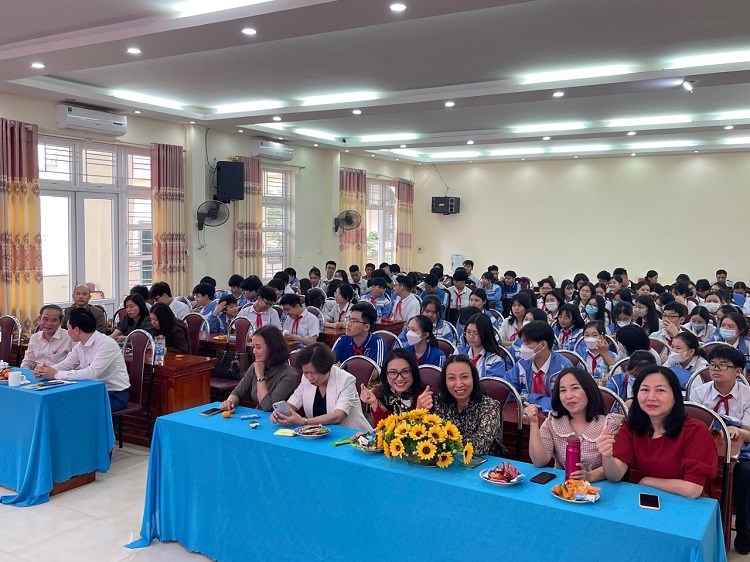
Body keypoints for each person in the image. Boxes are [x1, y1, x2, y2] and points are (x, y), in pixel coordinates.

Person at [597, 365, 718, 498]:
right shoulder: (632, 427)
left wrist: (647, 481)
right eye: (645, 390)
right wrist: (607, 456)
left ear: (675, 396)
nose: (651, 397)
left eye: (660, 390)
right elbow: (615, 476)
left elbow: (692, 490)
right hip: (647, 499)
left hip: (685, 503)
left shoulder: (695, 430)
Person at [689, 346, 750, 553]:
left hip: (740, 454)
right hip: (704, 449)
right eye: (712, 365)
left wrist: (738, 431)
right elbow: (691, 425)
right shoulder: (699, 392)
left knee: (745, 477)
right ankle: (699, 532)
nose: (715, 369)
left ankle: (743, 533)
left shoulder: (747, 396)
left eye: (723, 365)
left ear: (738, 371)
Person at [525, 367, 622, 481]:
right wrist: (534, 423)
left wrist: (590, 476)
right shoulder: (553, 422)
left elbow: (615, 468)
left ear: (588, 390)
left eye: (575, 388)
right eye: (563, 390)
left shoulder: (609, 424)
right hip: (563, 486)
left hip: (599, 487)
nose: (568, 396)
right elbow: (539, 461)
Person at [34, 309, 131, 411]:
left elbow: (91, 373)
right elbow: (67, 364)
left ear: (76, 330)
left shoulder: (106, 344)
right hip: (91, 389)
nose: (68, 331)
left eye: (68, 328)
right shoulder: (81, 345)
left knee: (71, 407)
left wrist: (56, 374)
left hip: (113, 394)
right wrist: (45, 370)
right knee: (58, 402)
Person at [271, 343, 372, 431]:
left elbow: (338, 416)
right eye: (305, 372)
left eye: (314, 373)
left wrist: (304, 422)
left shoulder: (346, 380)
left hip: (351, 434)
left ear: (326, 368)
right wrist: (280, 412)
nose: (309, 377)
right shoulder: (306, 378)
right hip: (320, 432)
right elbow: (294, 400)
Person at [432, 355, 504, 456]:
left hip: (486, 462)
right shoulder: (440, 404)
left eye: (464, 377)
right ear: (445, 381)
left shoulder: (490, 406)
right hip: (447, 461)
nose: (459, 384)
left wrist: (445, 444)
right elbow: (432, 440)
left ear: (473, 378)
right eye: (451, 378)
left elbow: (479, 447)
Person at [220, 326, 301, 412]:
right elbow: (238, 392)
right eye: (253, 347)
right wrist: (229, 402)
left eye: (258, 347)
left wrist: (260, 376)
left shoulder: (289, 375)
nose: (254, 351)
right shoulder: (256, 365)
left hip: (275, 417)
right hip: (257, 414)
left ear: (273, 348)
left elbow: (267, 407)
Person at [504, 320, 573, 411]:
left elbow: (565, 401)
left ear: (543, 345)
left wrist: (532, 398)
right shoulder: (522, 365)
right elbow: (506, 390)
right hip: (526, 414)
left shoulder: (564, 368)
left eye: (527, 343)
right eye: (522, 342)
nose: (522, 347)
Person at [359, 349, 432, 425]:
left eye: (405, 371)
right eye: (393, 372)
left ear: (413, 373)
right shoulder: (380, 394)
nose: (399, 378)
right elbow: (384, 428)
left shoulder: (424, 396)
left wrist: (419, 412)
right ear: (386, 376)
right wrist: (374, 403)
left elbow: (427, 430)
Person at [456, 313, 511, 378]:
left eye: (476, 333)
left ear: (485, 334)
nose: (471, 336)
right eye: (468, 332)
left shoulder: (494, 359)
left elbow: (491, 383)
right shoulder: (459, 353)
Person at [331, 302, 386, 366]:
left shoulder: (377, 342)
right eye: (348, 319)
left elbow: (377, 370)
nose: (348, 324)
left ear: (366, 327)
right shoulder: (342, 340)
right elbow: (329, 364)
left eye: (353, 321)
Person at [20, 305, 73, 369]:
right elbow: (28, 361)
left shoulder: (70, 337)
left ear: (61, 322)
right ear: (39, 319)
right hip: (37, 373)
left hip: (59, 374)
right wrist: (23, 371)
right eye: (45, 319)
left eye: (54, 320)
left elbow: (73, 364)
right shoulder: (34, 337)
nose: (49, 323)